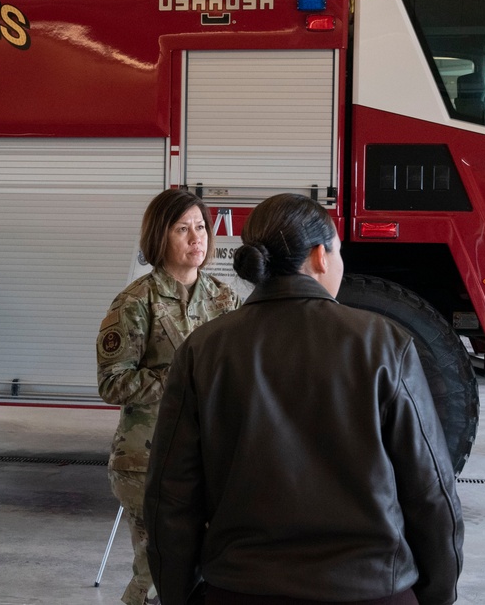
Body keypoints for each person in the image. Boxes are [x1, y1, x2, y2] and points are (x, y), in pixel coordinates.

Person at [144, 193, 464, 605]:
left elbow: (170, 495)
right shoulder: (384, 343)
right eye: (339, 252)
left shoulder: (203, 348)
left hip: (240, 589)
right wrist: (433, 594)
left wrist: (179, 594)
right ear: (319, 256)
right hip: (370, 590)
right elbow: (432, 491)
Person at [97, 188, 241, 605]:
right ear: (161, 237)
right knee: (158, 575)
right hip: (148, 462)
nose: (197, 238)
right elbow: (112, 383)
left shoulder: (224, 298)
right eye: (183, 229)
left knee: (204, 573)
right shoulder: (135, 303)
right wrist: (180, 377)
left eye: (200, 227)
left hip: (209, 459)